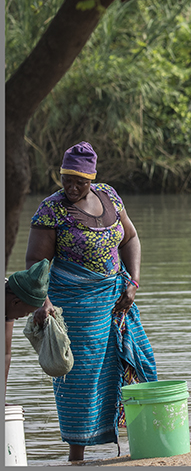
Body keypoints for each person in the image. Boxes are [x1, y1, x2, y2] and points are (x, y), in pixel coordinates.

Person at [26, 141, 157, 461]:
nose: (71, 187)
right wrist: (43, 302)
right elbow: (35, 262)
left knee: (136, 366)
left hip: (116, 302)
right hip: (76, 309)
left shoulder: (109, 196)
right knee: (80, 381)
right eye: (66, 180)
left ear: (92, 179)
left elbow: (130, 238)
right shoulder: (51, 210)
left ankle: (145, 442)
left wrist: (133, 282)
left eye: (79, 182)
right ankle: (77, 457)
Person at [5, 259, 51, 402]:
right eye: (26, 313)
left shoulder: (8, 304)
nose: (23, 317)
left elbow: (5, 354)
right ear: (16, 302)